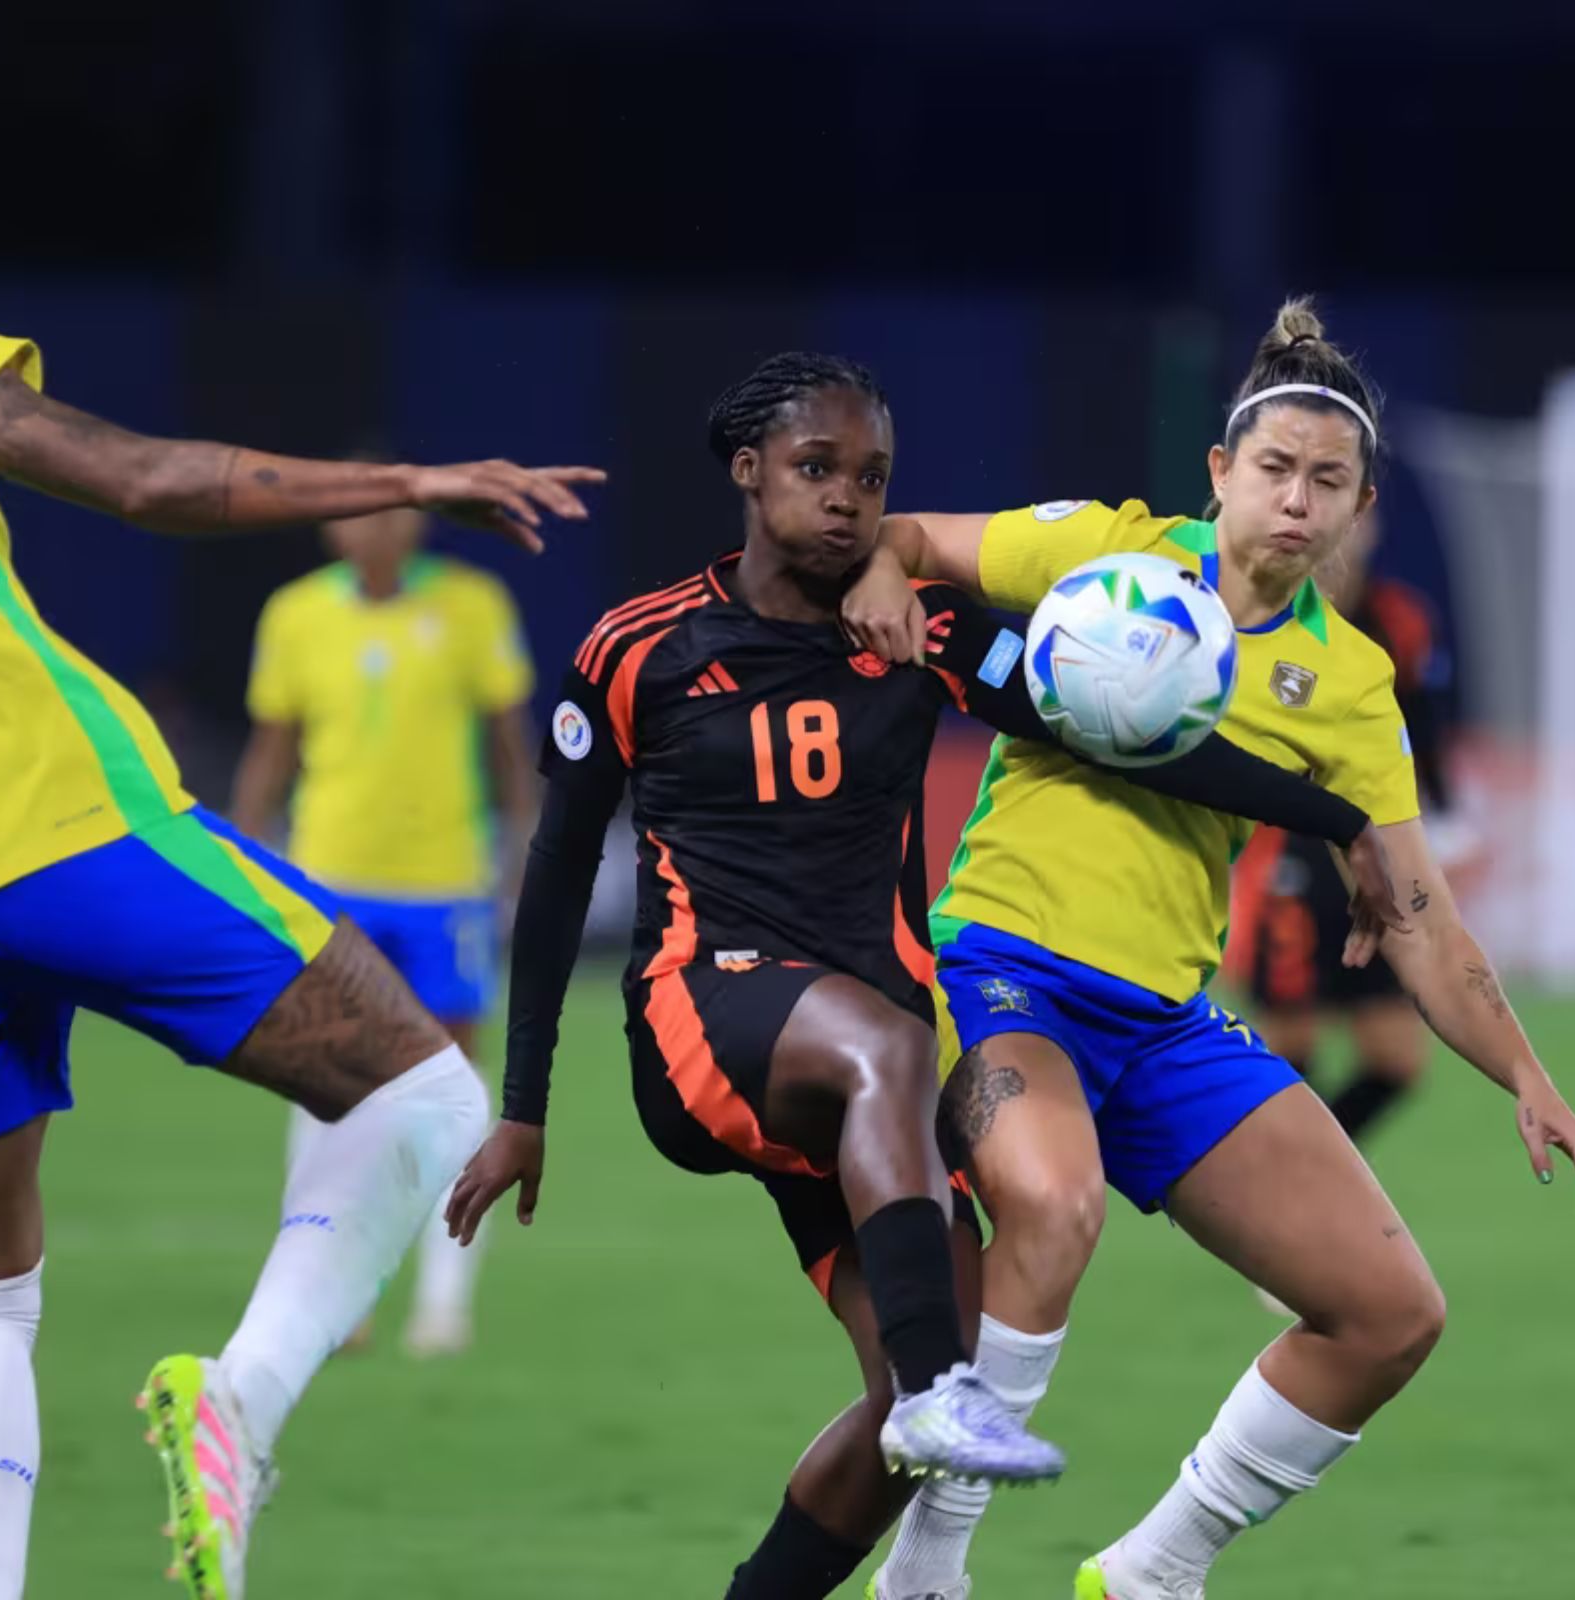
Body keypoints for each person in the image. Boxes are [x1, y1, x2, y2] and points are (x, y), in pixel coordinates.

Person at [0, 42, 600, 1600]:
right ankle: (243, 1406)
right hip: (64, 833)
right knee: (423, 1102)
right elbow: (149, 482)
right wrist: (408, 475)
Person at [445, 352, 1400, 1599]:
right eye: (816, 469)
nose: (848, 498)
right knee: (905, 1132)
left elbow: (1121, 743)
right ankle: (950, 1408)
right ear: (748, 472)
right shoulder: (641, 646)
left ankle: (870, 1500)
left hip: (862, 1084)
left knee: (905, 1395)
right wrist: (522, 1105)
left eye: (873, 477)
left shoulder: (921, 634)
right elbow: (560, 870)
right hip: (709, 1018)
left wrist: (1336, 820)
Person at [842, 299, 1575, 1600]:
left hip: (1167, 1022)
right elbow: (911, 539)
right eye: (1274, 471)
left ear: (1361, 504)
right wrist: (877, 569)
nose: (1296, 502)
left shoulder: (1352, 685)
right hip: (1005, 972)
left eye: (1328, 482)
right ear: (1219, 473)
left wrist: (1526, 1074)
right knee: (1054, 1204)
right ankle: (928, 1571)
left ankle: (1151, 1572)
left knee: (1390, 1313)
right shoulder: (1105, 556)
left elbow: (1416, 911)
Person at [229, 491, 538, 1357]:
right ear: (333, 523)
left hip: (445, 883)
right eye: (360, 510)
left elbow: (510, 740)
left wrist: (523, 845)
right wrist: (245, 856)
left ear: (417, 522)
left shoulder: (472, 604)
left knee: (454, 1086)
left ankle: (444, 1304)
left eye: (393, 510)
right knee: (325, 1081)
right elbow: (272, 747)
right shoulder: (296, 614)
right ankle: (332, 1292)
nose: (377, 526)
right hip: (329, 881)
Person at [1237, 511, 1465, 1170]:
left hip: (1377, 851)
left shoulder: (1400, 622)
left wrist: (1444, 816)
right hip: (1289, 850)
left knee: (1396, 1058)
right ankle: (1272, 1197)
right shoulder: (1264, 613)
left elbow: (1422, 729)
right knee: (1287, 1047)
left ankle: (1300, 1179)